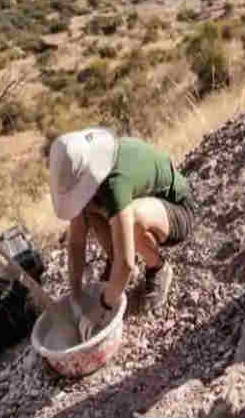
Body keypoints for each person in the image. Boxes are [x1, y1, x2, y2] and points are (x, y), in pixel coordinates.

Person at [48, 128, 197, 340]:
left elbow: (126, 262)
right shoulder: (87, 174)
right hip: (142, 207)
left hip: (178, 211)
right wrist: (75, 296)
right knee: (89, 212)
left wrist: (102, 308)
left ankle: (158, 268)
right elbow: (76, 244)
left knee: (132, 219)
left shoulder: (114, 183)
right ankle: (119, 272)